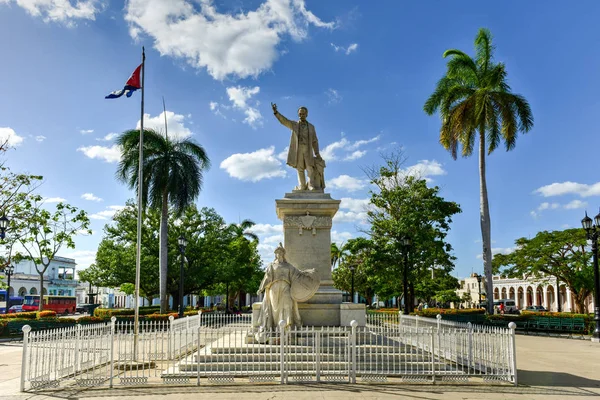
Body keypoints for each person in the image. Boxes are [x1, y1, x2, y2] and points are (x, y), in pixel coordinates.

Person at [256, 243, 319, 334]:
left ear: (283, 254)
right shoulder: (271, 266)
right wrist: (261, 288)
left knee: (287, 305)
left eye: (281, 252)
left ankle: (286, 327)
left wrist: (309, 273)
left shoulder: (288, 266)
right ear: (275, 254)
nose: (279, 254)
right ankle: (276, 327)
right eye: (277, 252)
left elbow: (298, 274)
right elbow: (267, 278)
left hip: (286, 287)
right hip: (274, 288)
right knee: (275, 308)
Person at [271, 103, 324, 191]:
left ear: (306, 115)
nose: (301, 115)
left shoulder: (311, 127)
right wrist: (276, 112)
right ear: (298, 114)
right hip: (298, 149)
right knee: (300, 168)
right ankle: (302, 186)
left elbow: (315, 141)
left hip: (307, 149)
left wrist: (317, 153)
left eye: (303, 114)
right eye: (300, 113)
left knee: (310, 167)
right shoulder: (294, 124)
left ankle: (311, 185)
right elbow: (284, 121)